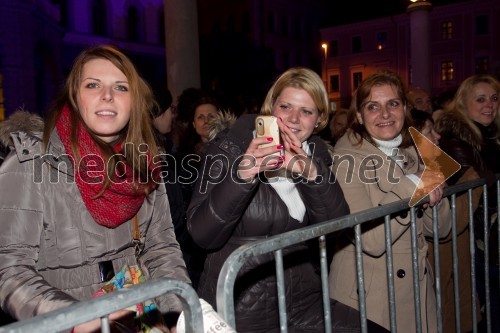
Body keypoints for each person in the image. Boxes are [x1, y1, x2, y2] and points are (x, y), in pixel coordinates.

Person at [0, 45, 190, 332]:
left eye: (121, 87)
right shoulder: (30, 162)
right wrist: (74, 317)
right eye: (93, 85)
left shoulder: (147, 163)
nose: (107, 96)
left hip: (139, 322)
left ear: (134, 102)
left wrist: (177, 314)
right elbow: (9, 270)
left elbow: (161, 250)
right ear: (75, 96)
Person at [187, 67, 350, 332]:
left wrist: (311, 174)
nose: (294, 119)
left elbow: (335, 227)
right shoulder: (229, 148)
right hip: (241, 302)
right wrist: (243, 175)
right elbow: (202, 235)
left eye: (307, 111)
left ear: (319, 119)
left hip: (302, 298)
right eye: (285, 106)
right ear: (270, 108)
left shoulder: (316, 155)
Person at [329, 71, 451, 333]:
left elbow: (441, 231)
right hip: (370, 297)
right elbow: (372, 241)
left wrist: (436, 197)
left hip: (416, 287)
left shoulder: (414, 150)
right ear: (360, 116)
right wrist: (413, 185)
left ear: (405, 109)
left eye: (393, 104)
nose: (385, 114)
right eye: (373, 106)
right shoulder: (345, 158)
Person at [434, 74, 500, 333]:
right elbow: (482, 191)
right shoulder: (454, 141)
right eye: (481, 99)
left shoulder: (490, 138)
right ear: (462, 103)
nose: (489, 105)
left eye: (494, 98)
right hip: (476, 242)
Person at [412, 108, 483, 333]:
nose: (438, 136)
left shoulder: (437, 164)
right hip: (436, 272)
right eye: (429, 131)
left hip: (453, 270)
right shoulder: (417, 170)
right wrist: (474, 178)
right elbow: (453, 221)